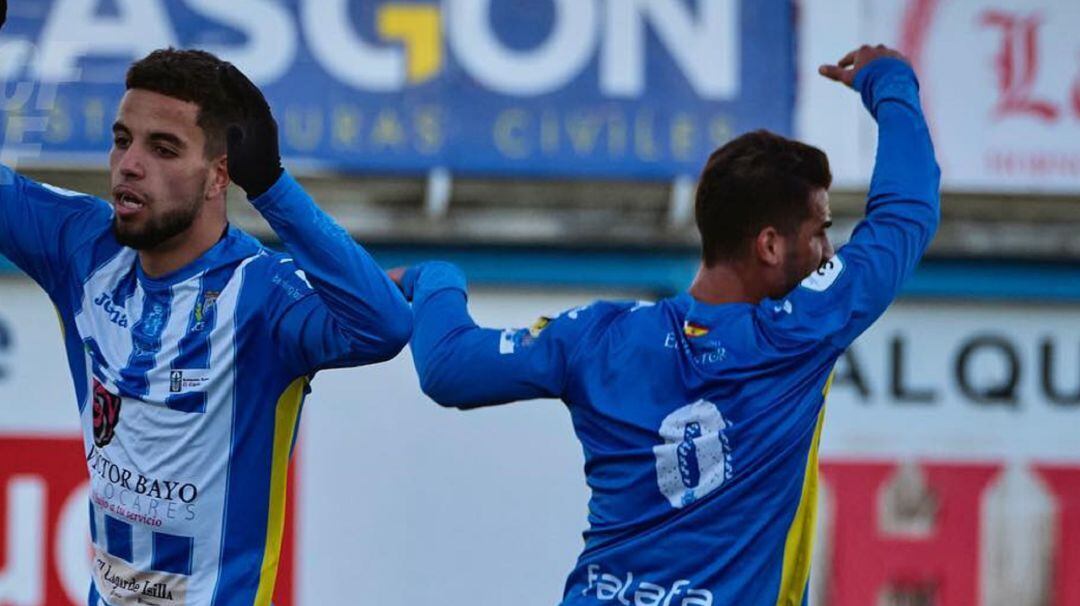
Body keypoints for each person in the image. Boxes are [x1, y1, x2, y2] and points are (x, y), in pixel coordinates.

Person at [391, 44, 939, 604]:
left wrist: (435, 279)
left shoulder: (597, 335)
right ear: (770, 245)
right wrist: (888, 81)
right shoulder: (795, 336)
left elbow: (449, 367)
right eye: (819, 231)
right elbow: (906, 213)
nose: (829, 253)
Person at [0, 13, 413, 606]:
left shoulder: (264, 295)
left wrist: (271, 186)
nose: (129, 165)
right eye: (122, 140)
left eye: (163, 148)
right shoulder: (79, 246)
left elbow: (385, 326)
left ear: (220, 175)